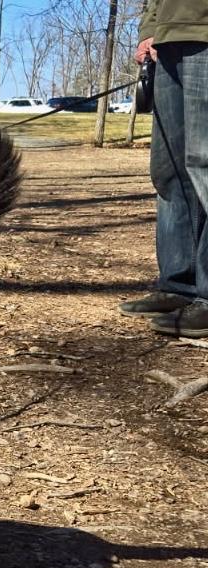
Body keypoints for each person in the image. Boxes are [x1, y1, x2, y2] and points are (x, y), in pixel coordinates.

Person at [118, 0, 208, 337]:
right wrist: (149, 29)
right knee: (169, 170)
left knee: (205, 163)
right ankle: (178, 285)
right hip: (168, 42)